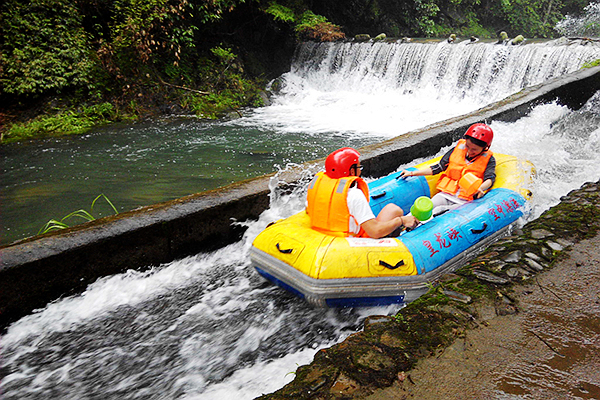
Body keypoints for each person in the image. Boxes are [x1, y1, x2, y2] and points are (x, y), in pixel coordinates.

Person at [306, 147, 417, 239]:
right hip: (350, 241)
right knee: (395, 211)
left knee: (391, 209)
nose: (360, 169)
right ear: (351, 171)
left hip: (323, 234)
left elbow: (309, 210)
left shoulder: (315, 185)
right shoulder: (353, 194)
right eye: (359, 167)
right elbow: (375, 231)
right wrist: (401, 220)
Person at [400, 123, 496, 216]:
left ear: (485, 148)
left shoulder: (489, 160)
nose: (470, 151)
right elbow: (438, 167)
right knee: (426, 207)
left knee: (439, 211)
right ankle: (404, 224)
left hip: (466, 201)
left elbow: (490, 179)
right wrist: (412, 173)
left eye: (474, 150)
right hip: (447, 194)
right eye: (467, 146)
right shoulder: (457, 150)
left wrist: (480, 188)